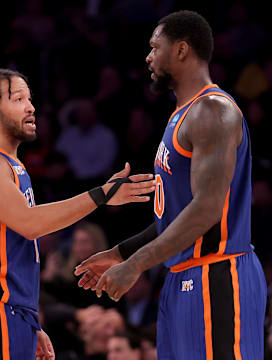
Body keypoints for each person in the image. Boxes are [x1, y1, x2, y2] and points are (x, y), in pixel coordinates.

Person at [75, 10, 267, 359]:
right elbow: (175, 214)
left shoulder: (213, 111)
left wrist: (135, 265)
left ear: (181, 50)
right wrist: (121, 253)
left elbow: (206, 209)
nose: (148, 57)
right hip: (182, 276)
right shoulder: (182, 114)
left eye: (154, 47)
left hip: (217, 274)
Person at [0, 68, 156, 360]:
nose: (31, 107)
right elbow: (30, 224)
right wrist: (101, 195)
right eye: (18, 99)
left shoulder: (12, 165)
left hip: (13, 312)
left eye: (29, 99)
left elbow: (16, 250)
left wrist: (31, 321)